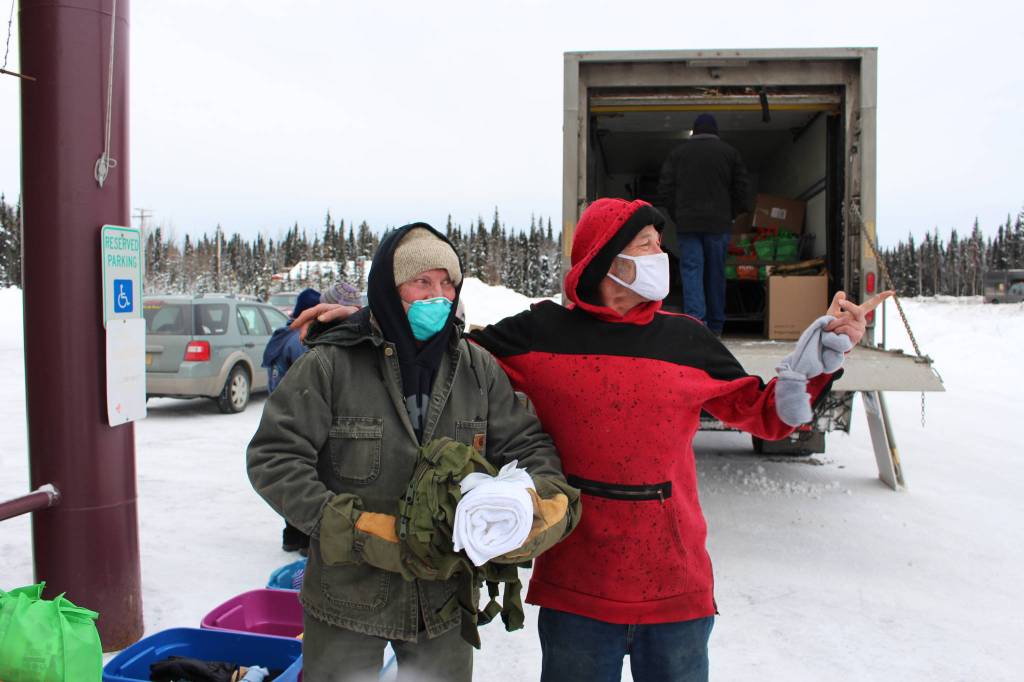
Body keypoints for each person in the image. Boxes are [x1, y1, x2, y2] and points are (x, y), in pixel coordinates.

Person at [293, 199, 889, 682]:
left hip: (675, 588)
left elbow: (769, 416)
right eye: (648, 246)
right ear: (608, 260)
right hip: (579, 591)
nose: (662, 257)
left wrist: (819, 358)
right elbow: (444, 345)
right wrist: (368, 321)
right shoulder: (538, 334)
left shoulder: (685, 339)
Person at [247, 223, 579, 682]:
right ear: (389, 286)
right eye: (421, 282)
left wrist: (538, 500)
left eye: (447, 283)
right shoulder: (330, 364)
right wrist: (353, 527)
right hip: (347, 598)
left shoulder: (475, 368)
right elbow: (275, 458)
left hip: (443, 600)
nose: (437, 295)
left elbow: (526, 443)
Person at [657, 112, 751, 335]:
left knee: (692, 272)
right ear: (715, 132)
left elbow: (665, 189)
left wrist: (677, 214)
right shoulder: (729, 153)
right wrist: (732, 214)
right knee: (716, 274)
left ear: (694, 131)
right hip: (719, 225)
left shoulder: (678, 154)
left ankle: (696, 325)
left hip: (688, 225)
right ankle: (717, 326)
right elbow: (742, 189)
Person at [262, 286, 322, 554]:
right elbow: (308, 379)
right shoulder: (301, 340)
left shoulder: (282, 333)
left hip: (278, 406)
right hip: (298, 410)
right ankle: (305, 539)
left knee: (292, 469)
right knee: (305, 471)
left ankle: (290, 535)